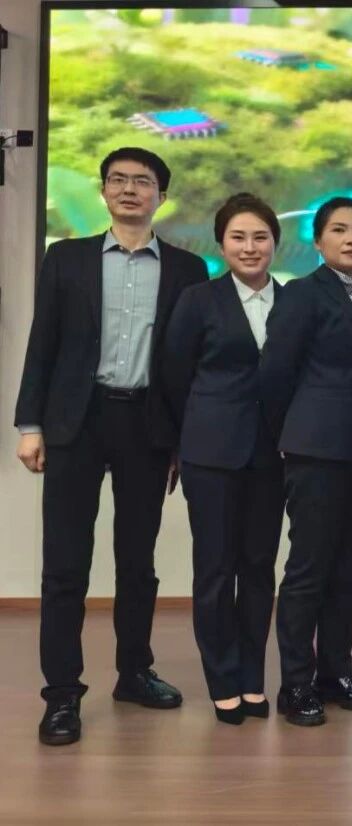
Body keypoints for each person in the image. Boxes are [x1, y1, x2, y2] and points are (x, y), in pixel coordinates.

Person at [15, 147, 206, 746]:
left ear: (161, 197)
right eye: (117, 180)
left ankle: (133, 672)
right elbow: (43, 342)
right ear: (103, 192)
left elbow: (188, 363)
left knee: (137, 562)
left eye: (142, 181)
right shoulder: (66, 258)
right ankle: (62, 694)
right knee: (64, 565)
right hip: (76, 421)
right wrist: (30, 424)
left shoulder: (188, 269)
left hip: (146, 426)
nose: (129, 189)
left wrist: (182, 440)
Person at [259, 196, 352, 727]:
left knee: (347, 571)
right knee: (308, 571)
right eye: (339, 230)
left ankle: (337, 673)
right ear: (318, 241)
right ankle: (296, 683)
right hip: (316, 454)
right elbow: (274, 374)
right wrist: (290, 438)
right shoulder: (301, 296)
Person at [162, 193, 286, 725]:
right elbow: (173, 376)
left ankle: (253, 677)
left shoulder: (293, 300)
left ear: (275, 242)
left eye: (260, 237)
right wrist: (179, 444)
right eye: (238, 237)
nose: (250, 247)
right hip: (210, 454)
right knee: (214, 569)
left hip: (273, 456)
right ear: (221, 245)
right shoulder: (198, 300)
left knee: (258, 568)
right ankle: (222, 680)